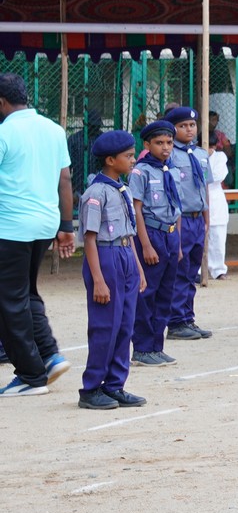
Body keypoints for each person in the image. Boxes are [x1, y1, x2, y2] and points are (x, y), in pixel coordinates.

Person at [0, 73, 72, 396]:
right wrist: (66, 227)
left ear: (1, 102)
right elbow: (65, 181)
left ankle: (31, 375)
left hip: (11, 227)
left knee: (9, 302)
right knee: (26, 293)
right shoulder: (54, 130)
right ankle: (50, 354)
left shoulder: (4, 132)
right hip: (44, 224)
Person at [77, 130, 148, 411]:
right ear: (110, 159)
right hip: (105, 258)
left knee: (125, 324)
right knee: (105, 325)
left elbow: (128, 234)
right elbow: (90, 239)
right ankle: (91, 388)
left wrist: (139, 270)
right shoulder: (95, 194)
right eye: (128, 156)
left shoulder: (123, 189)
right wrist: (98, 280)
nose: (133, 160)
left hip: (125, 255)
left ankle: (115, 384)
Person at [127, 120, 182, 368]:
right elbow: (136, 210)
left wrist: (178, 243)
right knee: (147, 293)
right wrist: (146, 245)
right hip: (151, 233)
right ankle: (142, 347)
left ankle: (156, 346)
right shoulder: (141, 172)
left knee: (165, 293)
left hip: (170, 235)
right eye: (159, 143)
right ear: (147, 145)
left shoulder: (171, 169)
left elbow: (176, 207)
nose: (166, 147)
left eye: (169, 142)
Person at [163, 106, 211, 333]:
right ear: (173, 129)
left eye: (192, 125)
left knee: (192, 271)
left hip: (197, 219)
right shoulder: (169, 154)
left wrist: (206, 216)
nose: (189, 129)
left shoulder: (201, 155)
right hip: (180, 219)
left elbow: (205, 188)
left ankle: (187, 317)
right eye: (183, 126)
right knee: (179, 269)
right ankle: (175, 321)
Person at [203, 135, 230, 281]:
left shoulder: (220, 157)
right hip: (200, 197)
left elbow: (219, 175)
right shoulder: (195, 155)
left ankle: (218, 269)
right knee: (200, 235)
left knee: (218, 236)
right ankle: (200, 270)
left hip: (215, 197)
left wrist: (204, 176)